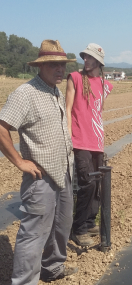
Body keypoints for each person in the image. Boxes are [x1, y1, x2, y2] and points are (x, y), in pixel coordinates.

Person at [0, 40, 78, 284]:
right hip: (41, 177)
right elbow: (2, 128)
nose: (60, 70)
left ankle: (53, 268)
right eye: (54, 65)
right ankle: (25, 281)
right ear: (40, 66)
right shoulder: (26, 94)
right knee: (34, 233)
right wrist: (21, 162)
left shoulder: (54, 90)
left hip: (64, 171)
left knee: (62, 225)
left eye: (62, 65)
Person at [66, 43, 113, 246]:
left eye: (90, 58)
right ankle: (78, 229)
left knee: (97, 185)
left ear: (98, 62)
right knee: (87, 182)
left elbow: (97, 112)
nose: (85, 60)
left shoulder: (105, 85)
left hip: (97, 140)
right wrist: (68, 136)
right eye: (84, 57)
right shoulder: (75, 78)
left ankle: (89, 221)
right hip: (80, 139)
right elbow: (68, 108)